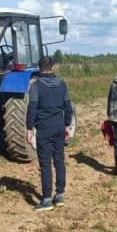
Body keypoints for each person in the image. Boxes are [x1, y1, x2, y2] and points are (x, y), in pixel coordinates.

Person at [26, 55, 73, 211]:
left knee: (45, 164)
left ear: (40, 68)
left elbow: (32, 108)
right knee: (59, 160)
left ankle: (46, 199)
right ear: (52, 68)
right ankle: (59, 195)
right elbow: (68, 106)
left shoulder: (36, 86)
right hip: (59, 126)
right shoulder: (62, 84)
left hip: (44, 129)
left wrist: (29, 128)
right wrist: (67, 125)